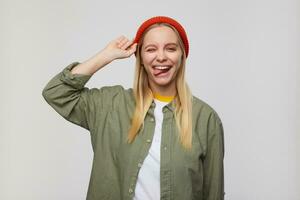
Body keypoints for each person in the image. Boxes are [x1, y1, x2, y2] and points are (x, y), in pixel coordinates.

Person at [42, 16, 225, 200]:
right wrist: (106, 56)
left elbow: (213, 193)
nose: (161, 56)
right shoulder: (110, 105)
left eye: (170, 48)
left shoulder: (206, 118)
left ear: (182, 56)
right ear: (141, 58)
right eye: (151, 49)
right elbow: (56, 92)